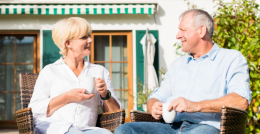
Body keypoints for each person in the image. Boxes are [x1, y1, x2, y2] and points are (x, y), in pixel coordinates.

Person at [115, 9, 251, 134]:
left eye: (183, 30)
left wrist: (194, 106)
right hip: (169, 127)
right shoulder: (178, 64)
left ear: (201, 31)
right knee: (125, 129)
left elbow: (241, 101)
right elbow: (157, 96)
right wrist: (153, 106)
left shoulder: (231, 58)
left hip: (205, 128)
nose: (177, 35)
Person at [28, 17, 123, 134]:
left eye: (89, 36)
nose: (90, 40)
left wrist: (105, 95)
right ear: (68, 43)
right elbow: (34, 109)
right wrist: (67, 97)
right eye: (84, 37)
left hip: (87, 129)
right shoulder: (50, 71)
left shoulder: (100, 71)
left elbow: (116, 115)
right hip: (55, 128)